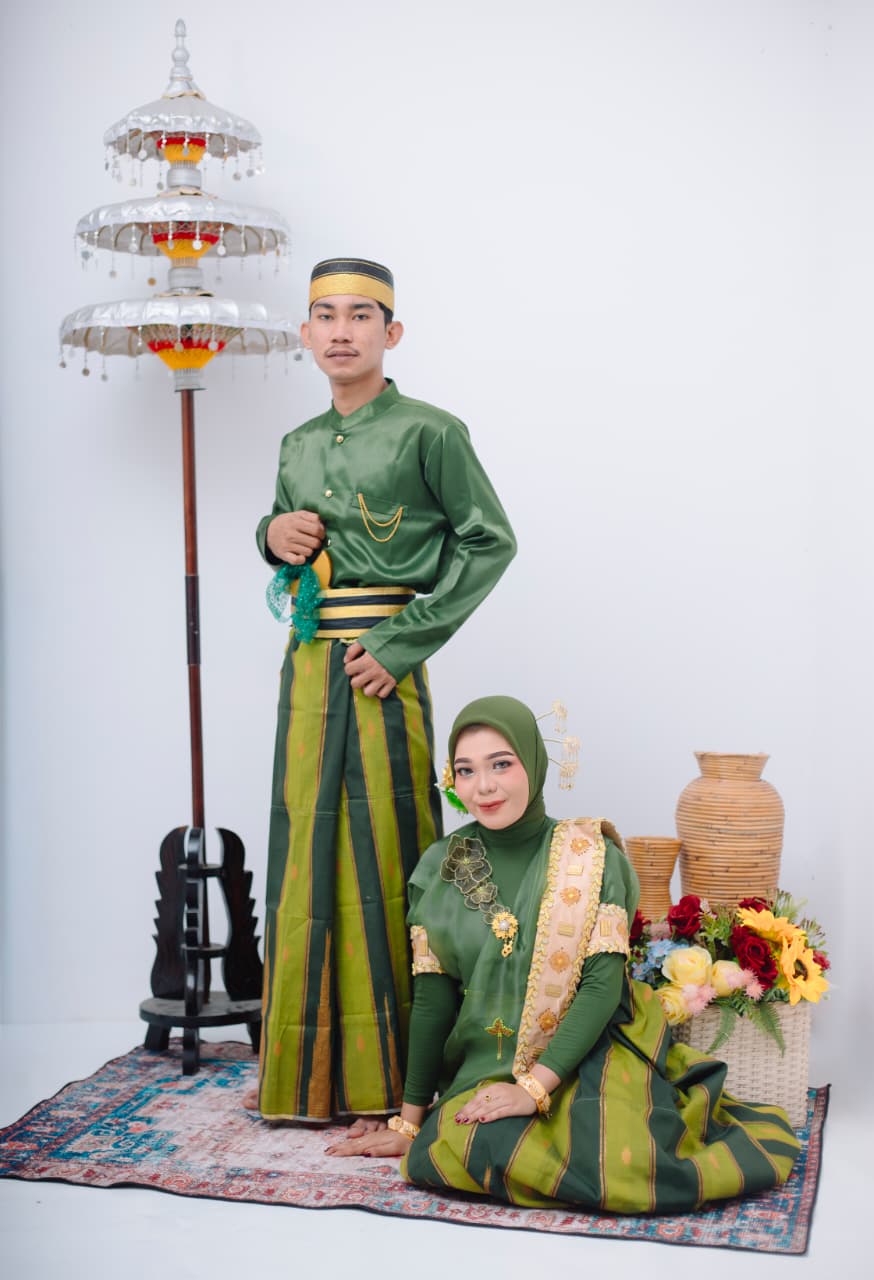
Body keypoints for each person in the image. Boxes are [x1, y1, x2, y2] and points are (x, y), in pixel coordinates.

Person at [327, 696, 801, 1213]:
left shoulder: (592, 857)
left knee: (621, 1161)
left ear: (534, 762)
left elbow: (601, 987)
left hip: (591, 1049)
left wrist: (533, 1088)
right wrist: (409, 1122)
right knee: (460, 1149)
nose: (483, 786)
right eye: (466, 770)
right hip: (486, 1061)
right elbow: (433, 1002)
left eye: (501, 764)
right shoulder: (441, 867)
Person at [252, 260, 517, 1122]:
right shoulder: (296, 444)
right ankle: (306, 1073)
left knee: (388, 852)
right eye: (325, 315)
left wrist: (401, 643)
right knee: (305, 851)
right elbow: (287, 549)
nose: (341, 331)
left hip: (380, 670)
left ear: (391, 332)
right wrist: (270, 533)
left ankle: (396, 1079)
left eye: (361, 315)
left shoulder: (431, 432)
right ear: (306, 333)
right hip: (306, 669)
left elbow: (489, 540)